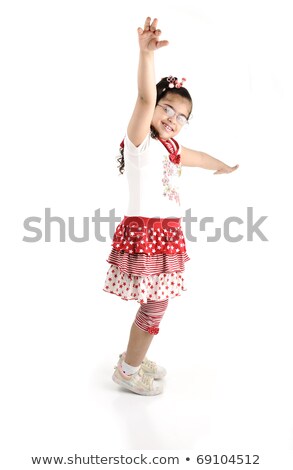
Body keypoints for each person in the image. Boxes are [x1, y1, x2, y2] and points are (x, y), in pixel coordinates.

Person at [103, 17, 239, 396]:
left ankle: (132, 356)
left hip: (165, 236)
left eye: (182, 117)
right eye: (167, 109)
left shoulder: (172, 150)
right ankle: (128, 371)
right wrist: (145, 55)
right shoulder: (139, 143)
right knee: (155, 307)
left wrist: (224, 166)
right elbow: (145, 98)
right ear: (155, 108)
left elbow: (200, 157)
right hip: (146, 234)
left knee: (155, 305)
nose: (173, 120)